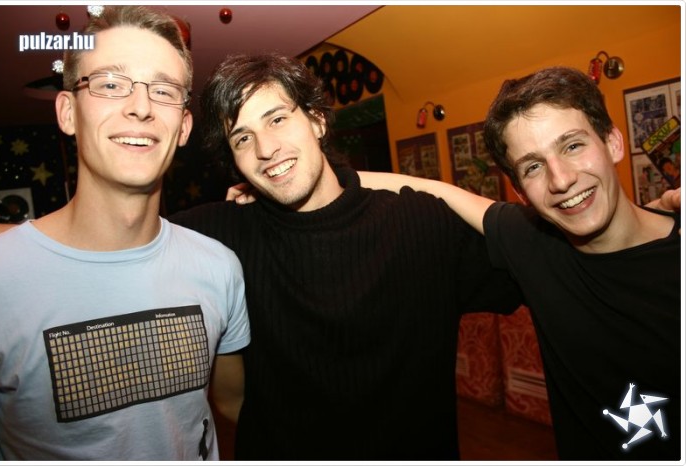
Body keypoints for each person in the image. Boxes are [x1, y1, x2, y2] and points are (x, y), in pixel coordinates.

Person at [169, 52, 524, 460]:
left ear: (318, 120)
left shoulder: (421, 223)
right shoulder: (220, 237)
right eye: (242, 138)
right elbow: (120, 237)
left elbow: (542, 250)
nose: (265, 148)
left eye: (277, 119)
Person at [359, 66, 681, 460]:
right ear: (521, 192)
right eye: (533, 166)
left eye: (572, 146)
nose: (560, 179)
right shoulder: (533, 243)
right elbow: (431, 191)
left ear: (612, 142)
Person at [0, 6, 250, 461]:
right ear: (68, 112)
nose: (141, 107)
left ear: (183, 127)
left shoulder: (219, 267)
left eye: (164, 90)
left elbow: (234, 406)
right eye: (110, 84)